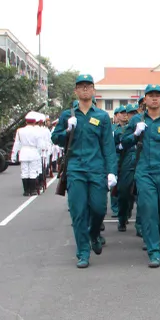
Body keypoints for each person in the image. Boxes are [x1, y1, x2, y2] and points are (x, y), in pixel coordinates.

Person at [51, 74, 117, 269]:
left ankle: (95, 234)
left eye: (88, 86)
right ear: (76, 91)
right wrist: (67, 131)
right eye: (81, 87)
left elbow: (108, 146)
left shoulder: (102, 116)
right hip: (76, 169)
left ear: (93, 90)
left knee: (98, 209)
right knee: (78, 212)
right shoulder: (67, 115)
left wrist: (112, 171)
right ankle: (83, 253)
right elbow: (55, 139)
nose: (85, 89)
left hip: (96, 169)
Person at [124, 85, 160, 267]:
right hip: (144, 172)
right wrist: (135, 134)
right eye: (151, 96)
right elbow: (123, 142)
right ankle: (154, 251)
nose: (154, 99)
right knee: (149, 209)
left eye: (158, 95)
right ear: (145, 100)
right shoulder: (136, 120)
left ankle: (155, 237)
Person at [11, 111, 48, 196]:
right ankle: (33, 190)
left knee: (24, 172)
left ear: (26, 121)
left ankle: (26, 191)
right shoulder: (37, 131)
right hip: (34, 152)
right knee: (32, 172)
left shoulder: (20, 131)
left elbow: (17, 144)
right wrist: (41, 152)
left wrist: (13, 155)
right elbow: (40, 145)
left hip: (23, 152)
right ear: (35, 122)